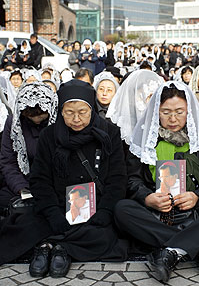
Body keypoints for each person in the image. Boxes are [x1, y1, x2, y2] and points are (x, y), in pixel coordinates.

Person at [114, 81, 199, 283]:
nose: (173, 118)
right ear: (156, 112)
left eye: (180, 112)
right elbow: (131, 179)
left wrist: (198, 196)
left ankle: (170, 251)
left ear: (189, 111)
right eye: (166, 112)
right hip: (157, 214)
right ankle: (197, 244)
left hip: (197, 212)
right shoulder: (146, 139)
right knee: (122, 209)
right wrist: (147, 198)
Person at [0, 79, 128, 277]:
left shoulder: (109, 133)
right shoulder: (49, 135)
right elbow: (40, 179)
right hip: (58, 206)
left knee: (104, 235)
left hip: (93, 207)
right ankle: (55, 242)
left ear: (92, 109)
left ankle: (56, 246)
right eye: (69, 112)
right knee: (22, 225)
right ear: (60, 111)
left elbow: (117, 178)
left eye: (82, 112)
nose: (76, 119)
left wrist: (104, 211)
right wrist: (52, 212)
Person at [0, 82, 58, 210]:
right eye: (31, 115)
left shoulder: (57, 122)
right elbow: (8, 162)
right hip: (23, 182)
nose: (36, 119)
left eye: (41, 114)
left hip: (54, 182)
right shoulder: (14, 122)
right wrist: (21, 188)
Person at [106, 70, 163, 146]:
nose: (147, 101)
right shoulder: (119, 124)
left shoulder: (162, 122)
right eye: (142, 95)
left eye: (151, 96)